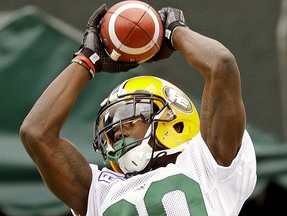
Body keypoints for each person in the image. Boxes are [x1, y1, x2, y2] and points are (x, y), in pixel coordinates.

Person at [19, 3, 257, 216]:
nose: (118, 132)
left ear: (171, 115)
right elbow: (36, 133)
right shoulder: (100, 193)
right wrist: (86, 59)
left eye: (128, 117)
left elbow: (221, 65)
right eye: (110, 127)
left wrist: (175, 32)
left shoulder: (206, 162)